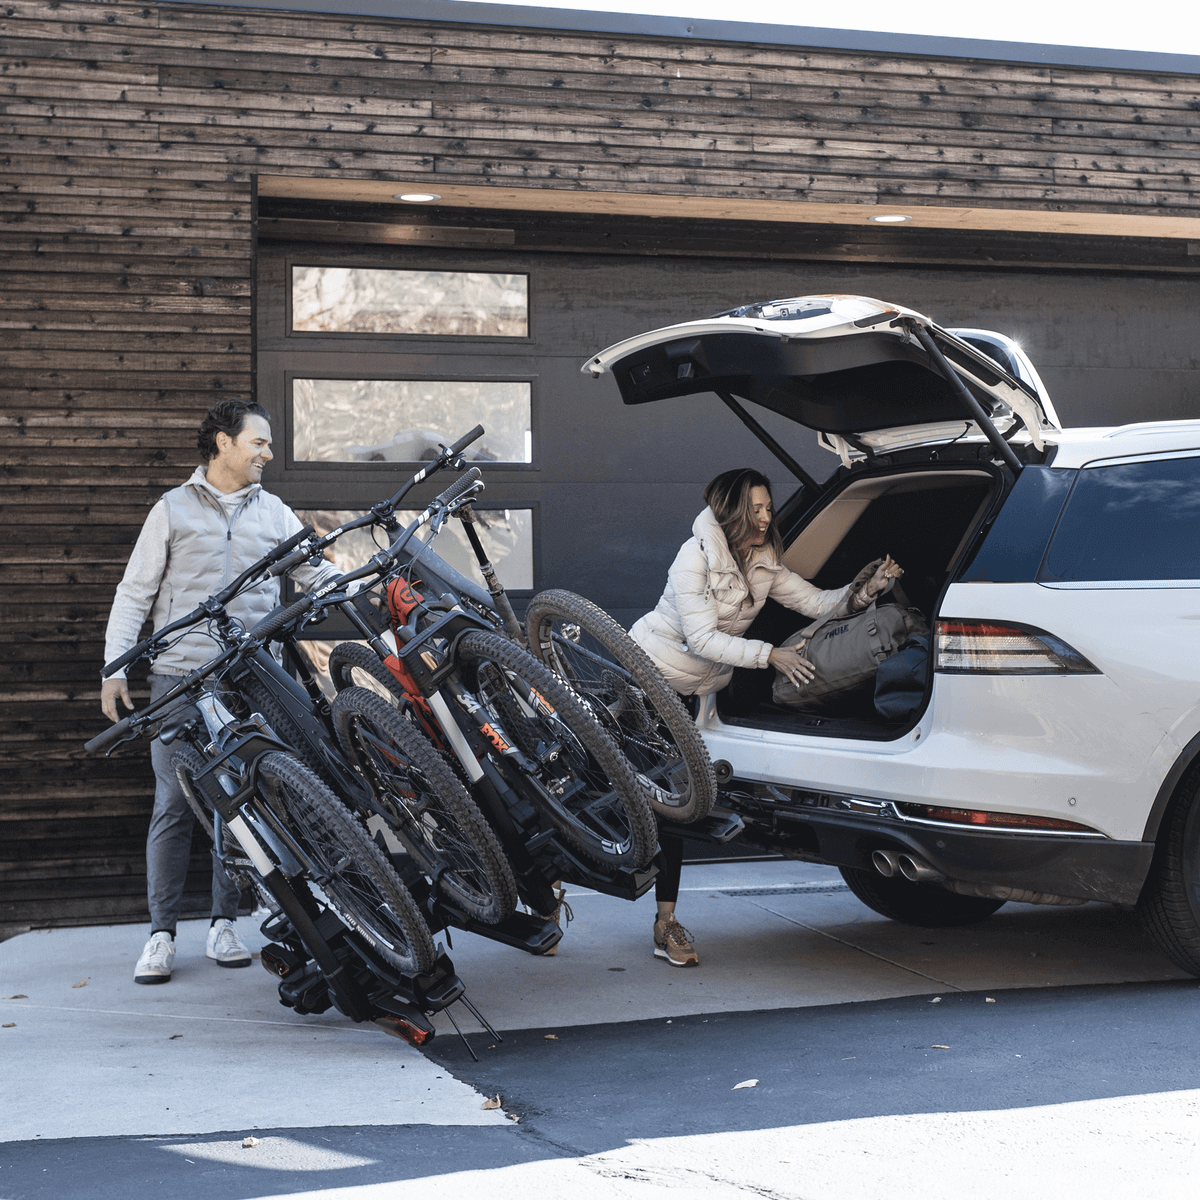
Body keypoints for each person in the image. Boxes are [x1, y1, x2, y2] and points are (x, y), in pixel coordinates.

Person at [100, 398, 335, 985]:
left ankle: (223, 923)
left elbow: (315, 572)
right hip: (179, 677)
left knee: (244, 801)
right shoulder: (172, 510)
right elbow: (135, 594)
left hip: (251, 676)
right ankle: (161, 933)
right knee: (175, 805)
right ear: (224, 443)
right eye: (258, 442)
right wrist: (113, 668)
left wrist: (356, 584)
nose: (268, 453)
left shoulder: (275, 511)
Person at [629, 467, 903, 966]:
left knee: (668, 805)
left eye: (768, 508)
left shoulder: (762, 561)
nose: (764, 518)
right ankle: (550, 889)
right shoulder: (693, 559)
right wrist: (771, 654)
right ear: (730, 512)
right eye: (754, 509)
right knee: (600, 788)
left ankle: (664, 923)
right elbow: (701, 640)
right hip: (647, 675)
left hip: (692, 690)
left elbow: (817, 602)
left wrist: (867, 591)